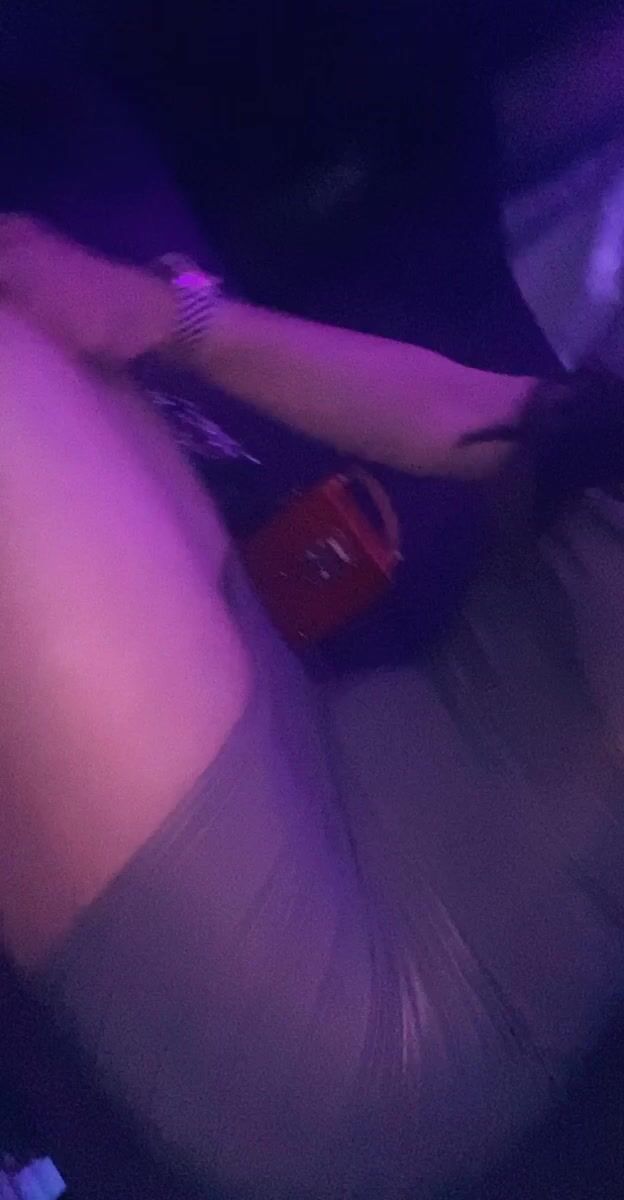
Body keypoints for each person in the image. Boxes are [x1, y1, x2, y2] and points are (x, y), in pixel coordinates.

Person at [1, 216, 624, 1200]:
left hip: (392, 999)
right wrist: (169, 316)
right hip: (331, 752)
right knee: (41, 325)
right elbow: (497, 418)